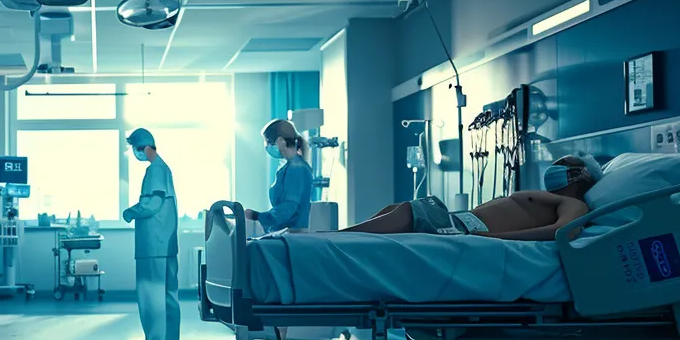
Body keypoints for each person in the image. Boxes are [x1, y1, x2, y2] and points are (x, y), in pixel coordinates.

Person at [341, 155, 603, 240]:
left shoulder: (574, 204)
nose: (554, 167)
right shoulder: (547, 196)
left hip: (467, 230)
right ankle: (341, 236)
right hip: (459, 221)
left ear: (580, 176)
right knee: (397, 209)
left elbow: (562, 231)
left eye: (562, 164)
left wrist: (493, 239)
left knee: (405, 214)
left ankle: (339, 237)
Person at [121, 128, 179, 340]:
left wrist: (130, 212)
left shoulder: (155, 169)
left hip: (153, 244)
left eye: (135, 149)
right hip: (164, 243)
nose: (136, 154)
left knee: (151, 295)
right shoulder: (164, 168)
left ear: (143, 147)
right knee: (166, 295)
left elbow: (152, 203)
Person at [245, 119, 314, 234]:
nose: (267, 146)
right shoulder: (288, 168)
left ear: (281, 142)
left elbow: (288, 208)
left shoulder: (297, 168)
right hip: (286, 234)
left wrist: (258, 216)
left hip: (293, 237)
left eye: (268, 142)